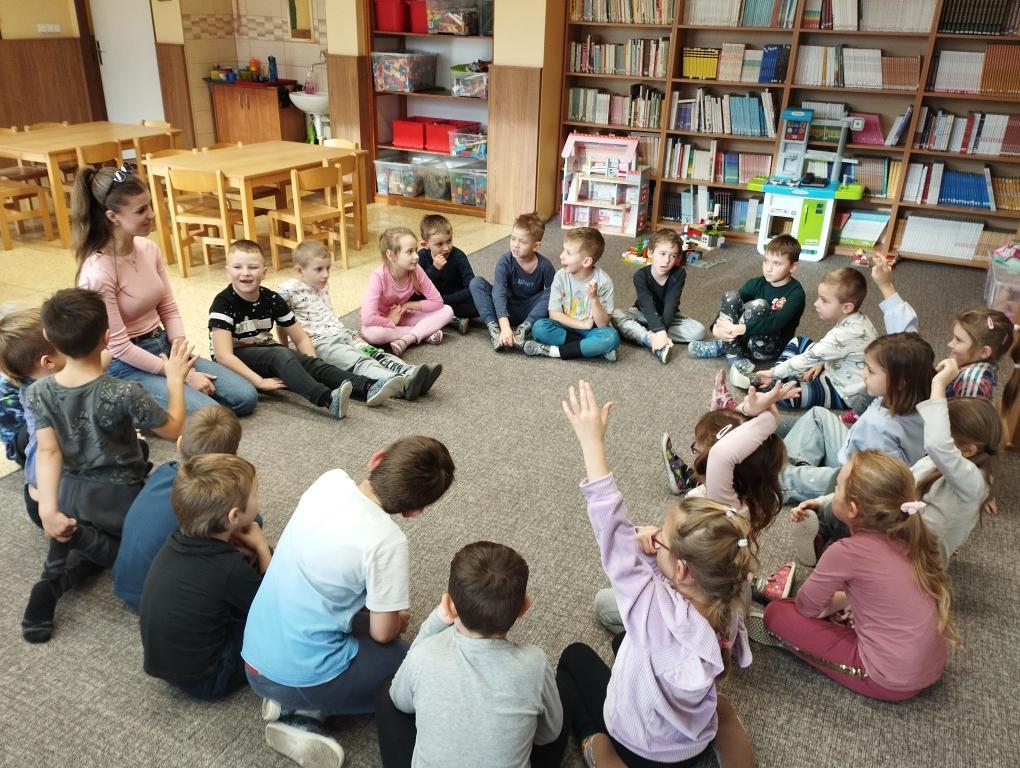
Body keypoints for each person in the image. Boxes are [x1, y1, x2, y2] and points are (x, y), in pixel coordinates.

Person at [558, 380, 755, 768]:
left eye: (660, 538)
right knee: (623, 642)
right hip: (693, 739)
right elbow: (664, 582)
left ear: (681, 570)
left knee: (574, 659)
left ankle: (599, 751)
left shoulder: (652, 614)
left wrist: (591, 443)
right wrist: (654, 555)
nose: (651, 536)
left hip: (640, 746)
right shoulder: (726, 599)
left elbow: (613, 535)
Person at [242, 436, 455, 768]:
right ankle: (302, 714)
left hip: (254, 654)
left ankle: (292, 697)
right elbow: (383, 633)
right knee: (416, 667)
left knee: (359, 618)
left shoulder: (330, 480)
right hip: (295, 674)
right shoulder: (388, 542)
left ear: (376, 458)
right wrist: (398, 620)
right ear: (414, 511)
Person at [21, 288, 194, 643]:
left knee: (76, 543)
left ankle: (52, 579)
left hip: (68, 495)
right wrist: (174, 379)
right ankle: (86, 540)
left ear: (48, 337)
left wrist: (49, 510)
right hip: (118, 500)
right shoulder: (125, 392)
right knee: (144, 549)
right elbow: (174, 428)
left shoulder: (38, 392)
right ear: (106, 336)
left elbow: (49, 452)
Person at [598, 380, 797, 636]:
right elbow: (733, 443)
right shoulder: (740, 500)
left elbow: (722, 454)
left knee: (604, 603)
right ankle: (739, 614)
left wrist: (770, 418)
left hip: (696, 601)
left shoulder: (720, 498)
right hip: (728, 586)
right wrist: (751, 410)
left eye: (698, 451)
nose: (696, 455)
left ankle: (683, 635)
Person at [764, 451, 956, 701]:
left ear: (853, 509)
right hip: (929, 665)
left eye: (837, 486)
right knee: (850, 594)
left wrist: (830, 604)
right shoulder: (911, 533)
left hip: (887, 679)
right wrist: (841, 600)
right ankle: (844, 617)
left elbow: (806, 607)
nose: (834, 489)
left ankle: (794, 633)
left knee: (777, 613)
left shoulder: (844, 553)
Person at [71, 163, 258, 417]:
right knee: (212, 416)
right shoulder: (97, 272)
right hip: (126, 364)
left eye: (149, 205)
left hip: (164, 347)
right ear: (113, 217)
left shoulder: (149, 249)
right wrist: (182, 375)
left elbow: (168, 309)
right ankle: (124, 402)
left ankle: (162, 405)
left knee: (245, 397)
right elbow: (119, 347)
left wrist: (181, 358)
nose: (152, 214)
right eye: (141, 210)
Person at [375, 541, 566, 768]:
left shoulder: (423, 656)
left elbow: (399, 700)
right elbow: (548, 735)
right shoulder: (535, 664)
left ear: (449, 605)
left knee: (389, 690)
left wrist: (433, 624)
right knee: (559, 691)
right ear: (524, 606)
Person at [209, 240, 395, 420]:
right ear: (228, 272)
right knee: (280, 354)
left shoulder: (271, 299)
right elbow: (223, 356)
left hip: (265, 350)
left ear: (264, 272)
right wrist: (259, 381)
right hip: (234, 358)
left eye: (252, 267)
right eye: (237, 267)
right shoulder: (223, 303)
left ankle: (368, 386)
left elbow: (301, 338)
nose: (245, 273)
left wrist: (312, 365)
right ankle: (327, 399)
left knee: (308, 361)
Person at [139, 454, 270, 700]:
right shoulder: (230, 569)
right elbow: (274, 609)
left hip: (173, 667)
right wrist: (262, 549)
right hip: (210, 678)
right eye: (255, 495)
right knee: (284, 625)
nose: (258, 499)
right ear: (233, 516)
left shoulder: (174, 540)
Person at [113, 405, 244, 612]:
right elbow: (243, 524)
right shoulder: (209, 499)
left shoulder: (165, 471)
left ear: (179, 442)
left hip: (125, 584)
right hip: (161, 601)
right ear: (233, 456)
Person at [779, 332, 934, 504]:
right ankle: (796, 465)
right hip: (853, 454)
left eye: (871, 371)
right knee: (818, 415)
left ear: (899, 383)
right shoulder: (918, 402)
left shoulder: (881, 428)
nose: (862, 374)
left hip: (854, 481)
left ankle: (786, 476)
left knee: (780, 477)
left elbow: (876, 482)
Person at [277, 240, 440, 401]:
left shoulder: (322, 284)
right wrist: (285, 350)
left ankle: (411, 372)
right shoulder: (288, 289)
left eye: (328, 268)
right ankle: (402, 385)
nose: (325, 274)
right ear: (299, 270)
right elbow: (280, 320)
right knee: (360, 362)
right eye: (319, 269)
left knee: (376, 354)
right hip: (321, 343)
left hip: (344, 333)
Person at [753, 267, 877, 410]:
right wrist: (821, 362)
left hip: (843, 391)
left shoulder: (846, 334)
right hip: (834, 367)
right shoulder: (857, 319)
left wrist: (772, 372)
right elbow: (831, 351)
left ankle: (775, 380)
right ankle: (781, 378)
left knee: (786, 396)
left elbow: (812, 356)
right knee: (799, 341)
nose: (816, 303)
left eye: (824, 300)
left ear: (847, 307)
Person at [689, 234, 805, 374]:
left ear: (793, 266)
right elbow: (730, 304)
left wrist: (739, 329)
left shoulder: (796, 293)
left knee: (759, 306)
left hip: (769, 348)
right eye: (766, 261)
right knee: (731, 296)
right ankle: (731, 350)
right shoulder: (757, 283)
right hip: (744, 337)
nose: (768, 268)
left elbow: (776, 322)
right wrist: (715, 328)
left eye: (776, 263)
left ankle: (726, 349)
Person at [0, 306, 65, 528]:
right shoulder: (43, 399)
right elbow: (44, 451)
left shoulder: (37, 376)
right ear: (47, 362)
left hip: (40, 494)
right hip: (52, 502)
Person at [524, 227, 621, 361]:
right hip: (565, 326)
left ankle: (554, 352)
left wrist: (594, 299)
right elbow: (554, 314)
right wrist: (583, 325)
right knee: (539, 327)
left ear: (586, 261)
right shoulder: (560, 276)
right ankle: (592, 349)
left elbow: (603, 324)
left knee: (611, 337)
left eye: (568, 253)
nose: (561, 256)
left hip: (592, 330)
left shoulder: (604, 282)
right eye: (563, 250)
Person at [611, 228, 705, 365]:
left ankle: (647, 335)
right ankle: (650, 340)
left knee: (699, 331)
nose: (666, 261)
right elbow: (646, 305)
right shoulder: (640, 276)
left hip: (668, 317)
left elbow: (671, 304)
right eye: (662, 254)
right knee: (616, 315)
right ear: (650, 253)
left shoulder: (679, 274)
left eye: (673, 256)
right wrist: (659, 332)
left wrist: (662, 330)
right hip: (643, 314)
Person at [469, 212, 556, 352]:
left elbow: (554, 298)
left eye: (522, 242)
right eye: (513, 238)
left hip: (530, 312)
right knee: (476, 283)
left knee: (554, 291)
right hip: (505, 308)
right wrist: (504, 327)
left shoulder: (545, 266)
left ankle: (522, 331)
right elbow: (499, 293)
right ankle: (495, 331)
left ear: (536, 246)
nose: (515, 245)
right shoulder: (505, 261)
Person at [359, 227, 455, 355]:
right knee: (372, 334)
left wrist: (407, 305)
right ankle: (424, 332)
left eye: (415, 250)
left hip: (403, 316)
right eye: (409, 252)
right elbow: (367, 318)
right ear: (391, 255)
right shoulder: (378, 277)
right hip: (381, 321)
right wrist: (390, 321)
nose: (416, 256)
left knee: (448, 310)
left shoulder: (416, 270)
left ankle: (407, 339)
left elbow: (437, 302)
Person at [415, 213, 478, 334]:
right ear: (425, 244)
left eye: (449, 241)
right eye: (439, 244)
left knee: (479, 303)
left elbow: (470, 287)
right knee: (410, 303)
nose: (446, 248)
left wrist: (442, 301)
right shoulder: (420, 258)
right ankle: (450, 319)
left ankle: (443, 316)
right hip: (430, 300)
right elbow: (417, 289)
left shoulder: (458, 256)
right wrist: (434, 270)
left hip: (453, 301)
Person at [945, 307, 1016, 400]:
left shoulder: (973, 384)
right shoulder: (968, 361)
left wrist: (939, 384)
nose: (949, 344)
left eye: (958, 340)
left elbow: (964, 410)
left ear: (984, 352)